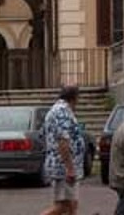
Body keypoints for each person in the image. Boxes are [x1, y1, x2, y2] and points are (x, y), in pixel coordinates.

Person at [40, 85, 85, 215]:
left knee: (71, 206)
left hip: (62, 165)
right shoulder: (62, 112)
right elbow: (62, 141)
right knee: (63, 206)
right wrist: (70, 168)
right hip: (63, 167)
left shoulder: (57, 110)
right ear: (74, 98)